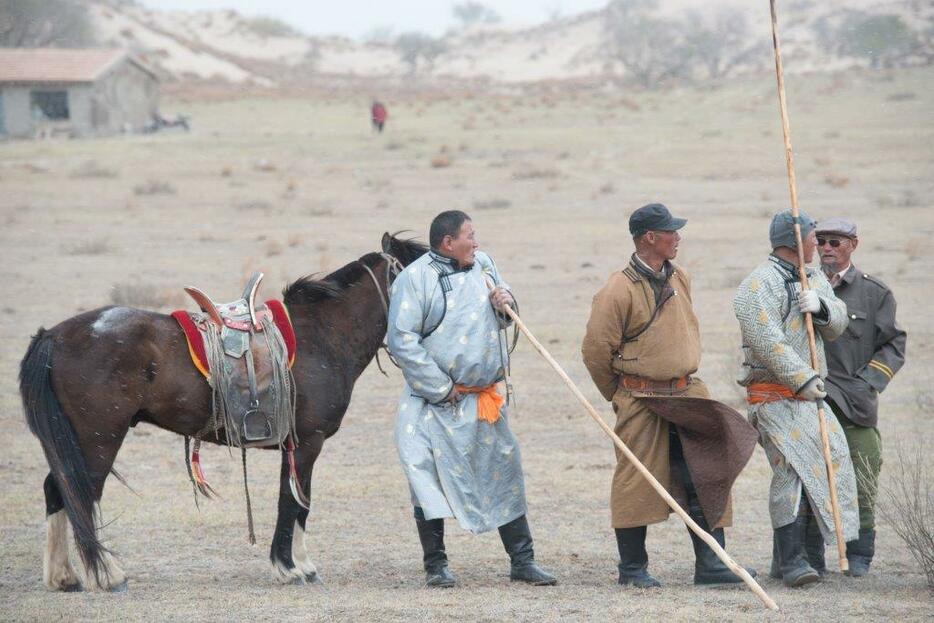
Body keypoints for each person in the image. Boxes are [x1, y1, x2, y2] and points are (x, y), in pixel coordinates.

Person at [582, 203, 757, 589]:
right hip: (640, 397)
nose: (677, 237)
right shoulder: (617, 290)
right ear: (649, 238)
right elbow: (596, 350)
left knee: (706, 471)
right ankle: (632, 570)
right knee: (635, 480)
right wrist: (620, 393)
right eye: (670, 232)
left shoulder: (681, 277)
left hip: (687, 393)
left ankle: (712, 564)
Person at [387, 210, 556, 588]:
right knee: (426, 479)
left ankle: (523, 561)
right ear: (448, 242)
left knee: (503, 472)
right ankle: (436, 566)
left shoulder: (483, 264)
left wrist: (505, 302)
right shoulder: (415, 280)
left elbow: (501, 311)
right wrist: (443, 389)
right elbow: (402, 340)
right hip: (431, 404)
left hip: (482, 400)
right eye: (470, 236)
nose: (476, 242)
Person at [732, 210, 859, 587]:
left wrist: (820, 307)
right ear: (793, 241)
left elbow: (838, 324)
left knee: (825, 466)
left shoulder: (814, 276)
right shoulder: (756, 286)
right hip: (774, 395)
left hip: (809, 396)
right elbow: (766, 342)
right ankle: (793, 561)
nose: (818, 245)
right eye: (814, 238)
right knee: (792, 471)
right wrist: (802, 378)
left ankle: (809, 557)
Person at [813, 217, 906, 577]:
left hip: (854, 404)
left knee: (863, 476)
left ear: (853, 244)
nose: (827, 249)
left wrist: (867, 382)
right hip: (811, 400)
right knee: (810, 478)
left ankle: (860, 553)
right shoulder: (802, 285)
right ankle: (806, 556)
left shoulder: (874, 293)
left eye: (835, 242)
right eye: (821, 241)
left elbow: (893, 345)